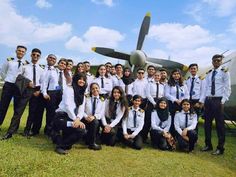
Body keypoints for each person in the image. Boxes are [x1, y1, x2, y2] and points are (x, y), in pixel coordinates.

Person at [2, 48, 44, 139]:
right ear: (31, 55)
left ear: (40, 57)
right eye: (34, 54)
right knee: (18, 111)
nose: (35, 56)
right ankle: (10, 132)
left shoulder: (41, 69)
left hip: (36, 91)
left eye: (37, 55)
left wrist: (39, 91)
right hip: (26, 90)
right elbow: (18, 77)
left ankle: (27, 131)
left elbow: (43, 82)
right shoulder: (25, 66)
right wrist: (27, 82)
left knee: (32, 112)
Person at [201, 54, 231, 155]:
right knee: (207, 124)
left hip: (218, 101)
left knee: (220, 126)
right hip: (208, 101)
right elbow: (205, 89)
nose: (216, 62)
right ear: (212, 62)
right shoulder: (209, 73)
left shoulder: (224, 72)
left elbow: (227, 88)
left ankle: (220, 148)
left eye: (218, 60)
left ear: (221, 61)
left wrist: (223, 101)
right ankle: (208, 145)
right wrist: (203, 101)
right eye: (214, 61)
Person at [52, 73, 87, 155]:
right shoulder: (69, 89)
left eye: (84, 80)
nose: (82, 81)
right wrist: (76, 120)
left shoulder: (82, 94)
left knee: (82, 130)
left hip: (72, 118)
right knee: (76, 127)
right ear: (75, 79)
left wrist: (78, 119)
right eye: (80, 79)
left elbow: (81, 109)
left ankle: (62, 142)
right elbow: (68, 107)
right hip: (61, 117)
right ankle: (60, 146)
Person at [0, 45, 28, 129]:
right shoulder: (9, 60)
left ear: (25, 53)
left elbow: (25, 75)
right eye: (19, 50)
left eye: (23, 51)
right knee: (3, 106)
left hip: (19, 87)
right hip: (8, 85)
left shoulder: (26, 63)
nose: (21, 52)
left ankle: (14, 127)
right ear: (16, 51)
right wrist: (8, 80)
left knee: (17, 108)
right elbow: (2, 71)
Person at [42, 58, 67, 136]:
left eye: (64, 64)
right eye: (61, 63)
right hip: (52, 93)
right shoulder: (51, 71)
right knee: (50, 112)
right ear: (58, 63)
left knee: (59, 113)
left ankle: (56, 130)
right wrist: (44, 93)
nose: (62, 65)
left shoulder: (66, 74)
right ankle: (48, 130)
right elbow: (45, 82)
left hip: (62, 95)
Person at [165, 69, 189, 136]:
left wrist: (182, 100)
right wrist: (176, 100)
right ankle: (171, 135)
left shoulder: (183, 84)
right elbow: (166, 94)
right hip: (172, 104)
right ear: (172, 75)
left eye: (178, 74)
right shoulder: (169, 83)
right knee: (172, 120)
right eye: (174, 74)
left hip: (182, 105)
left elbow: (187, 94)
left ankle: (179, 135)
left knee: (180, 120)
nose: (176, 75)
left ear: (180, 75)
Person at [143, 71, 165, 143]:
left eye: (158, 76)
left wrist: (159, 103)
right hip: (151, 103)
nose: (157, 77)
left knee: (157, 120)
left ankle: (155, 138)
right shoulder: (149, 84)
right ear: (153, 76)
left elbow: (163, 96)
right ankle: (144, 137)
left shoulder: (162, 85)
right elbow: (148, 94)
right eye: (156, 75)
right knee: (148, 121)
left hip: (160, 103)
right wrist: (154, 103)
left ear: (160, 76)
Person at [82, 83, 104, 150]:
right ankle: (92, 143)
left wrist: (93, 117)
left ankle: (91, 142)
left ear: (99, 89)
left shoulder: (102, 100)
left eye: (96, 88)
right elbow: (81, 110)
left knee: (95, 122)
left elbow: (101, 113)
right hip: (85, 119)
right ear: (90, 90)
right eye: (93, 88)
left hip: (95, 121)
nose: (95, 90)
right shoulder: (86, 97)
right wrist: (86, 116)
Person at [185, 63, 205, 133]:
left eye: (194, 68)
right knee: (187, 119)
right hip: (188, 101)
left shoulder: (201, 79)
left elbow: (203, 91)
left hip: (197, 101)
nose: (193, 70)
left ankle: (194, 137)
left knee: (195, 121)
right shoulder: (187, 80)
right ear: (189, 70)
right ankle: (187, 135)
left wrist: (200, 102)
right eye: (191, 69)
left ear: (197, 70)